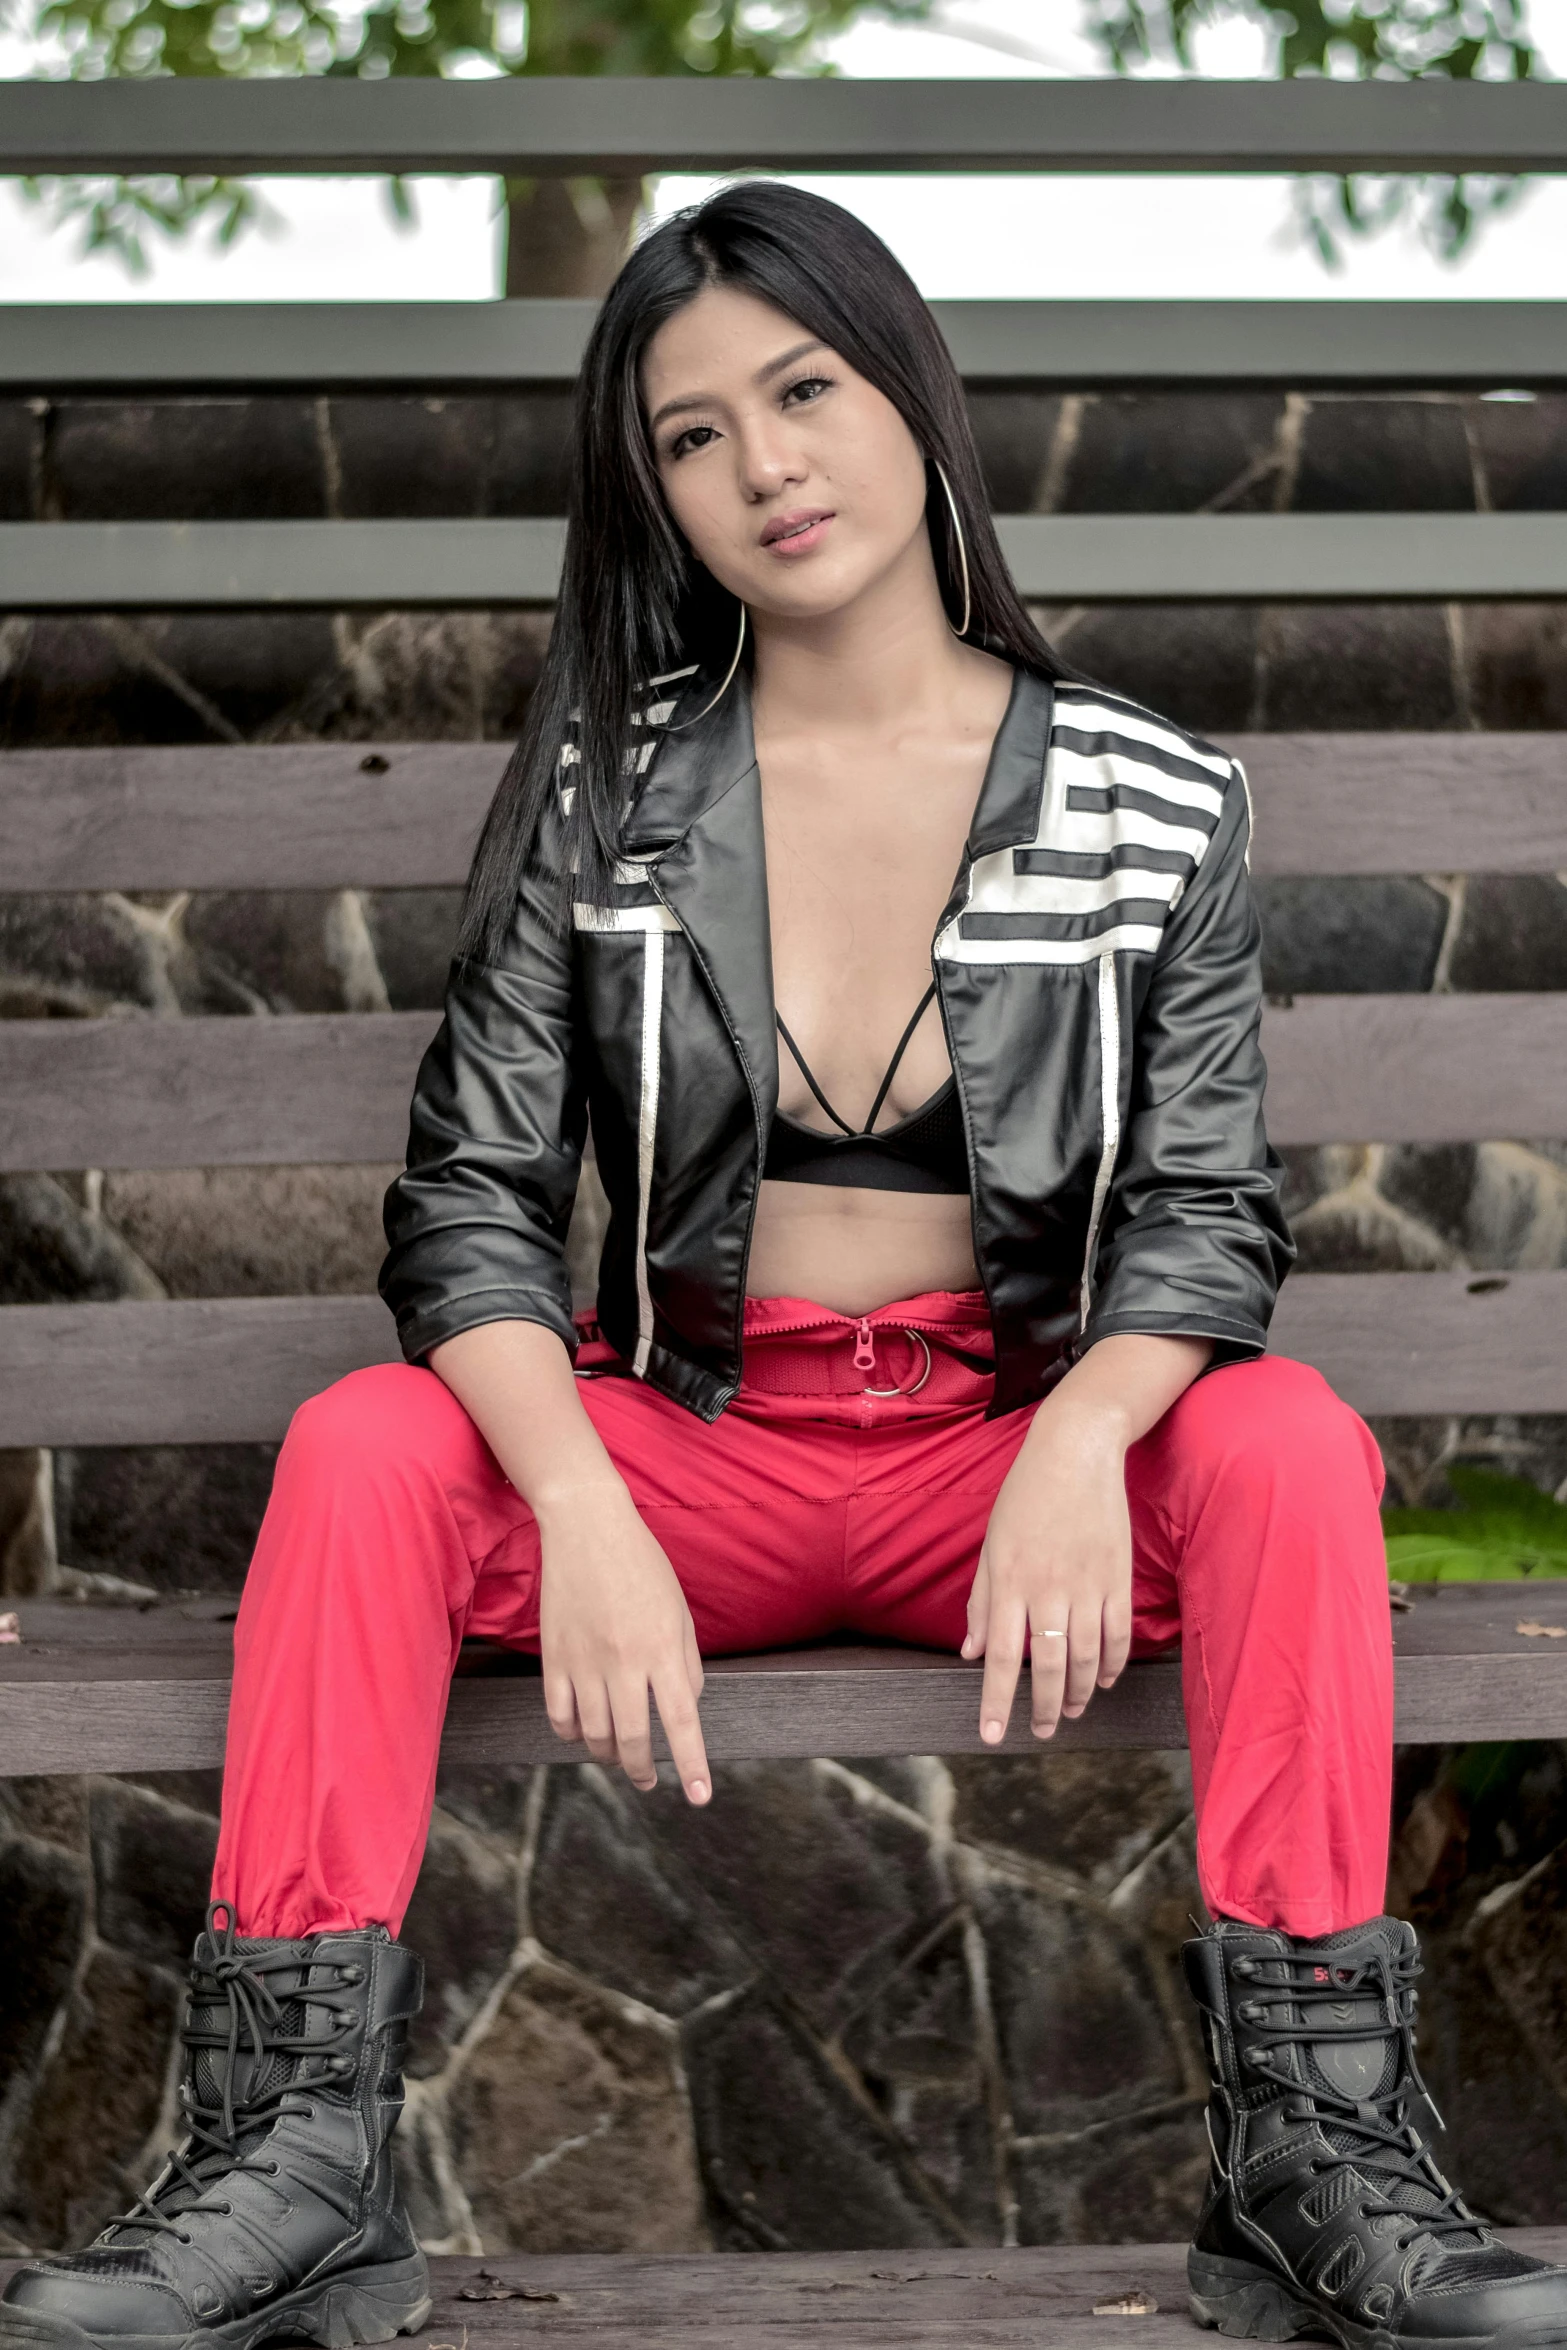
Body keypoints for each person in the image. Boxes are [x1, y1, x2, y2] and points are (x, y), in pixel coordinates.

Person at [6, 180, 1564, 2350]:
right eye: (694, 435)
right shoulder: (604, 789)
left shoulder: (1144, 793)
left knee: (1285, 1441)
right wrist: (575, 1496)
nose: (766, 466)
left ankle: (1319, 2156)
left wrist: (1084, 1433)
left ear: (908, 390)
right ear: (654, 491)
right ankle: (290, 2163)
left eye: (803, 390)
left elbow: (1208, 1210)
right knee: (372, 1445)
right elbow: (468, 1190)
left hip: (1009, 1456)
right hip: (694, 1443)